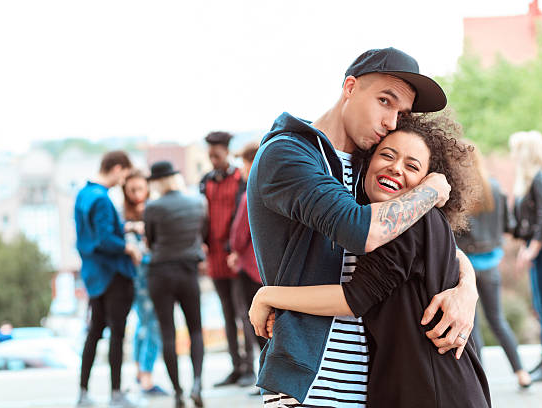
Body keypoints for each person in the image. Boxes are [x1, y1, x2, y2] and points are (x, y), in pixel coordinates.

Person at [247, 47, 479, 407]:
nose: (391, 121)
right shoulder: (289, 154)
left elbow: (425, 243)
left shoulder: (368, 169)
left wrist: (468, 288)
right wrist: (431, 189)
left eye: (401, 113)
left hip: (373, 381)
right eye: (385, 101)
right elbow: (362, 230)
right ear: (350, 87)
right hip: (312, 381)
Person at [455, 143, 532, 388]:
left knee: (474, 326)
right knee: (498, 320)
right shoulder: (495, 189)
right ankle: (521, 373)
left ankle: (481, 382)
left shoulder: (459, 191)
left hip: (466, 265)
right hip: (490, 264)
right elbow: (509, 225)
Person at [74, 150, 141, 408]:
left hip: (94, 276)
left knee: (94, 333)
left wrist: (125, 228)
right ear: (117, 168)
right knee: (117, 334)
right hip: (114, 275)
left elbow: (93, 235)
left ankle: (82, 392)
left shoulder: (84, 193)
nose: (123, 180)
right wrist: (129, 248)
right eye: (124, 174)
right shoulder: (102, 199)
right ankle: (116, 394)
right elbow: (104, 239)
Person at [144, 161, 206, 408]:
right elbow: (203, 235)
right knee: (196, 330)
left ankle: (178, 392)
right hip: (189, 271)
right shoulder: (197, 203)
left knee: (168, 332)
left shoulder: (153, 207)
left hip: (160, 274)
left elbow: (150, 241)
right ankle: (198, 384)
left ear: (157, 182)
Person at [199, 131, 256, 387]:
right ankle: (235, 367)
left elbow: (243, 217)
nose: (213, 159)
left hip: (237, 257)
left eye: (217, 154)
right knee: (226, 314)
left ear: (226, 152)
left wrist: (235, 248)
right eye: (210, 155)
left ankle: (249, 369)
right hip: (215, 258)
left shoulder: (239, 179)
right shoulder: (206, 181)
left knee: (244, 314)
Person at [509, 130, 542, 382]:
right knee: (541, 305)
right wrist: (525, 244)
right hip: (540, 247)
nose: (514, 156)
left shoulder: (539, 178)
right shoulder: (532, 181)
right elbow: (529, 221)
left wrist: (533, 247)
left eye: (518, 150)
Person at [122, 170, 167, 396]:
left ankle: (143, 375)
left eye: (140, 188)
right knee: (150, 324)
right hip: (139, 277)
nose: (137, 194)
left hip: (154, 273)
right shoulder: (125, 216)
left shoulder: (154, 208)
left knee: (146, 324)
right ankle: (145, 377)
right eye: (132, 190)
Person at [226, 141, 267, 394]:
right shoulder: (272, 188)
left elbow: (238, 236)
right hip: (268, 271)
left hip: (249, 268)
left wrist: (233, 252)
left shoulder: (249, 193)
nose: (240, 169)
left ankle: (264, 381)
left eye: (243, 163)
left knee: (256, 326)